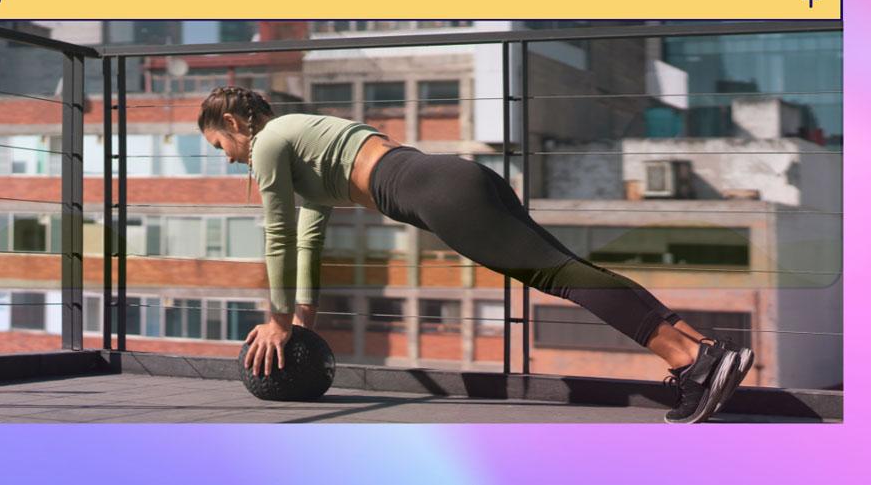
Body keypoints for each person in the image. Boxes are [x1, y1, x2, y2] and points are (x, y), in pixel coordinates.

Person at [198, 86, 754, 423]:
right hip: (453, 177)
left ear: (233, 124)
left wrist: (275, 321)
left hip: (435, 194)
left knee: (564, 278)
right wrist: (300, 321)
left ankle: (690, 361)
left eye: (220, 146)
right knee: (573, 270)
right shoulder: (303, 136)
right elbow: (306, 239)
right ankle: (705, 351)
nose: (226, 159)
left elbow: (277, 233)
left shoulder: (269, 142)